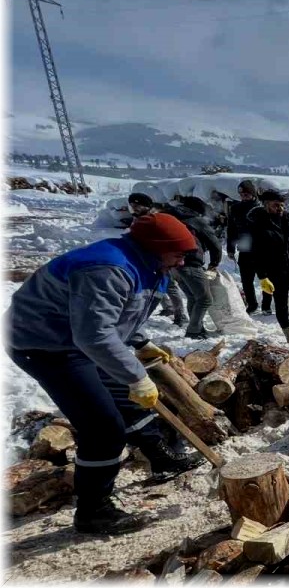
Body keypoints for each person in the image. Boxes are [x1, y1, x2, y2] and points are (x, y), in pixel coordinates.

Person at [6, 214, 207, 534]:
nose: (182, 262)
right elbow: (94, 335)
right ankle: (93, 511)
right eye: (178, 254)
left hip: (79, 339)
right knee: (102, 428)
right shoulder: (107, 269)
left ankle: (161, 458)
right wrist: (137, 376)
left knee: (129, 400)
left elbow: (122, 313)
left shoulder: (151, 265)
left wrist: (141, 342)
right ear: (156, 247)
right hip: (46, 345)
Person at [248, 189, 289, 344]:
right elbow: (256, 254)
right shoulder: (259, 226)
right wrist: (263, 277)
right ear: (266, 205)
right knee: (281, 308)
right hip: (276, 273)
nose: (280, 208)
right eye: (276, 205)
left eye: (282, 205)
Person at [163, 196, 223, 340]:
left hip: (173, 266)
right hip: (190, 263)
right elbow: (215, 244)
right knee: (205, 299)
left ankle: (197, 328)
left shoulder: (171, 218)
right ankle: (194, 331)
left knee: (193, 297)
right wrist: (213, 264)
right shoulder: (196, 220)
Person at [129, 193, 186, 327]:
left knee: (169, 286)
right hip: (146, 257)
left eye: (137, 205)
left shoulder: (157, 219)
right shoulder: (138, 218)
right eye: (132, 205)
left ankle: (180, 315)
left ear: (146, 206)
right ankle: (168, 307)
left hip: (163, 257)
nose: (134, 208)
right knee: (154, 284)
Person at [226, 180, 270, 316]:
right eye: (241, 195)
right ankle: (252, 304)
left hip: (261, 250)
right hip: (244, 249)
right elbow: (231, 229)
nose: (244, 197)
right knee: (246, 280)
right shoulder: (235, 209)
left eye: (246, 194)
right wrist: (230, 248)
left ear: (253, 194)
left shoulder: (262, 208)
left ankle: (266, 305)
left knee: (265, 278)